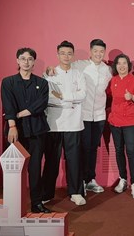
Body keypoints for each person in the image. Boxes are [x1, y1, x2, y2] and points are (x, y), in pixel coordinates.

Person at [46, 39, 112, 194]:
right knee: (82, 149)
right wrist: (49, 68)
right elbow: (61, 68)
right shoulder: (79, 65)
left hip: (99, 114)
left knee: (93, 148)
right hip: (82, 114)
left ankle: (90, 179)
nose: (98, 54)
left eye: (101, 51)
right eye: (95, 51)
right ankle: (80, 180)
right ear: (90, 51)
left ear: (104, 53)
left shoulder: (108, 69)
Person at [1, 48, 51, 213]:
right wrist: (13, 125)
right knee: (14, 168)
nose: (26, 62)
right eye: (23, 58)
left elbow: (41, 104)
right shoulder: (8, 82)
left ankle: (36, 203)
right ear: (17, 60)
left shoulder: (42, 83)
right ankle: (13, 204)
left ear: (34, 62)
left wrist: (18, 114)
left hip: (37, 131)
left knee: (35, 169)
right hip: (16, 131)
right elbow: (8, 104)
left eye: (30, 59)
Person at [42, 40, 87, 206]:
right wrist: (70, 99)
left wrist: (63, 97)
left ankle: (75, 192)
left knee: (74, 159)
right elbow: (48, 98)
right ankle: (46, 192)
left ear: (73, 55)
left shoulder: (79, 74)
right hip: (54, 123)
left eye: (69, 53)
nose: (66, 56)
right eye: (63, 53)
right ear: (57, 55)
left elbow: (83, 95)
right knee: (51, 160)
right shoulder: (50, 74)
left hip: (74, 123)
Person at [108, 53, 134, 199]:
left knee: (130, 150)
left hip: (129, 121)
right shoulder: (113, 80)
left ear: (128, 66)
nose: (121, 66)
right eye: (119, 63)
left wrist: (132, 97)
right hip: (115, 121)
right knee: (118, 150)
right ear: (115, 66)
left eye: (124, 63)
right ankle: (123, 179)